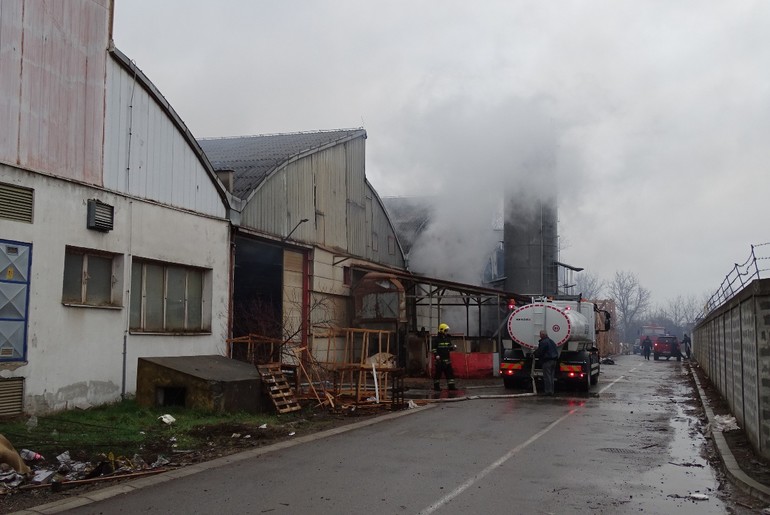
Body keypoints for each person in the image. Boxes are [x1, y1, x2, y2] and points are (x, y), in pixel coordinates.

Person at [432, 323, 457, 391]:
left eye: (447, 331)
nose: (446, 332)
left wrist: (453, 348)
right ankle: (436, 387)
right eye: (445, 330)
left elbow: (449, 348)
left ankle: (451, 387)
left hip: (447, 360)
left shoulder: (447, 339)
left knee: (450, 374)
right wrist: (436, 355)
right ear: (442, 330)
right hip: (440, 361)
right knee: (438, 374)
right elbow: (434, 349)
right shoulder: (436, 339)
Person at [534, 330, 558, 396]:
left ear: (542, 335)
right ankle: (552, 391)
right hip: (554, 361)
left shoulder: (543, 342)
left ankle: (548, 391)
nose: (539, 336)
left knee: (547, 377)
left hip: (547, 361)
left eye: (540, 335)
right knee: (551, 376)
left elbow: (540, 352)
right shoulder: (551, 341)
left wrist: (534, 353)